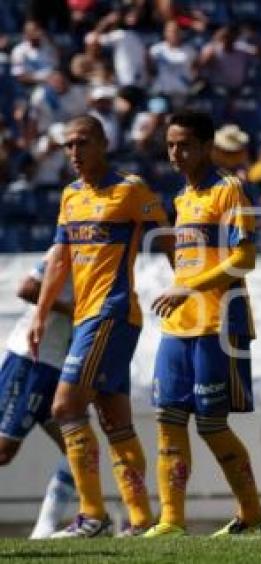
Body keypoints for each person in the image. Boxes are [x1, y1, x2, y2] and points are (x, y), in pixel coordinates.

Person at [28, 116, 168, 537]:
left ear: (104, 143)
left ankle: (92, 515)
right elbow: (59, 259)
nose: (73, 151)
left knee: (65, 408)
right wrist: (40, 313)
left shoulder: (130, 189)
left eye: (82, 142)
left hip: (113, 312)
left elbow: (166, 235)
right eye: (67, 144)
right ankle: (141, 520)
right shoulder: (70, 196)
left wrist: (186, 286)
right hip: (87, 316)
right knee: (114, 420)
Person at [145, 110, 261, 537]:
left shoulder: (229, 190)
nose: (176, 153)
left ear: (206, 147)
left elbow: (245, 259)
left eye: (185, 145)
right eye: (171, 145)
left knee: (211, 423)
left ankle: (252, 513)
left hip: (219, 322)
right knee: (167, 416)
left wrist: (188, 287)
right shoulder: (182, 198)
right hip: (179, 325)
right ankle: (171, 521)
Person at [0, 250, 77, 539]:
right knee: (3, 452)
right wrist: (72, 310)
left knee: (78, 446)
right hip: (31, 359)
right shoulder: (65, 246)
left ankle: (43, 532)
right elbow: (27, 288)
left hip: (57, 364)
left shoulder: (101, 254)